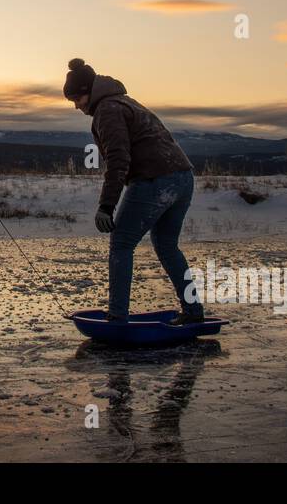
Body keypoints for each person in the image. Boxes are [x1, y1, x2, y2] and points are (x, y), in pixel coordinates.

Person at [63, 58, 203, 325]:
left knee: (121, 244)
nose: (77, 106)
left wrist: (106, 206)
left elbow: (118, 158)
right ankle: (193, 311)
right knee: (166, 246)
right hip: (182, 178)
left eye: (77, 99)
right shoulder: (125, 101)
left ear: (87, 91)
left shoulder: (107, 109)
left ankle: (117, 316)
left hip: (154, 180)